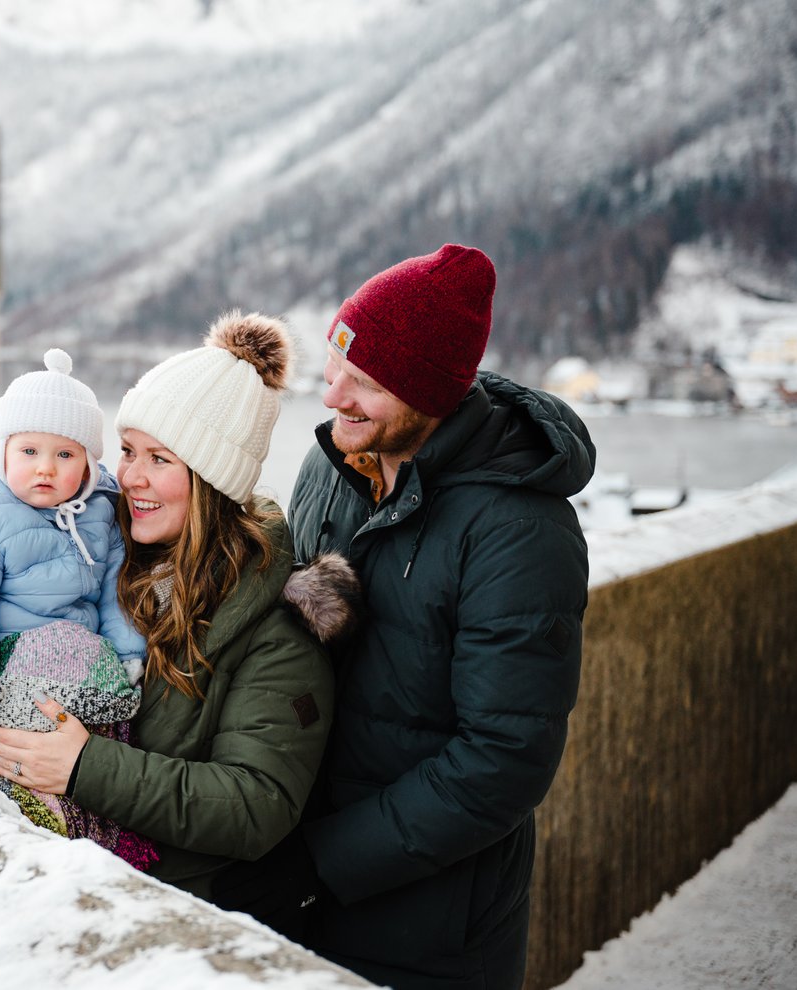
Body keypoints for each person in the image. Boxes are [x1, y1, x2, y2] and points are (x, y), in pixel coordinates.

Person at [0, 312, 352, 937]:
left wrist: (85, 767)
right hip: (62, 895)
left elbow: (257, 804)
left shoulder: (275, 626)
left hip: (177, 918)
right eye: (126, 451)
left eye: (159, 458)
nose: (132, 477)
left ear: (210, 479)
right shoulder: (102, 560)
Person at [287, 243, 596, 989]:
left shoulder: (520, 530)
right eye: (333, 372)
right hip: (298, 883)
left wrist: (321, 863)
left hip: (429, 924)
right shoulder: (329, 468)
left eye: (362, 382)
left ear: (426, 391)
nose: (333, 399)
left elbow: (501, 760)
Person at [0, 348, 145, 722]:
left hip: (81, 664)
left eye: (65, 455)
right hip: (11, 665)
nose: (45, 468)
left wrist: (128, 653)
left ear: (87, 467)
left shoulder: (100, 512)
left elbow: (115, 593)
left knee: (116, 712)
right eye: (29, 451)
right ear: (3, 454)